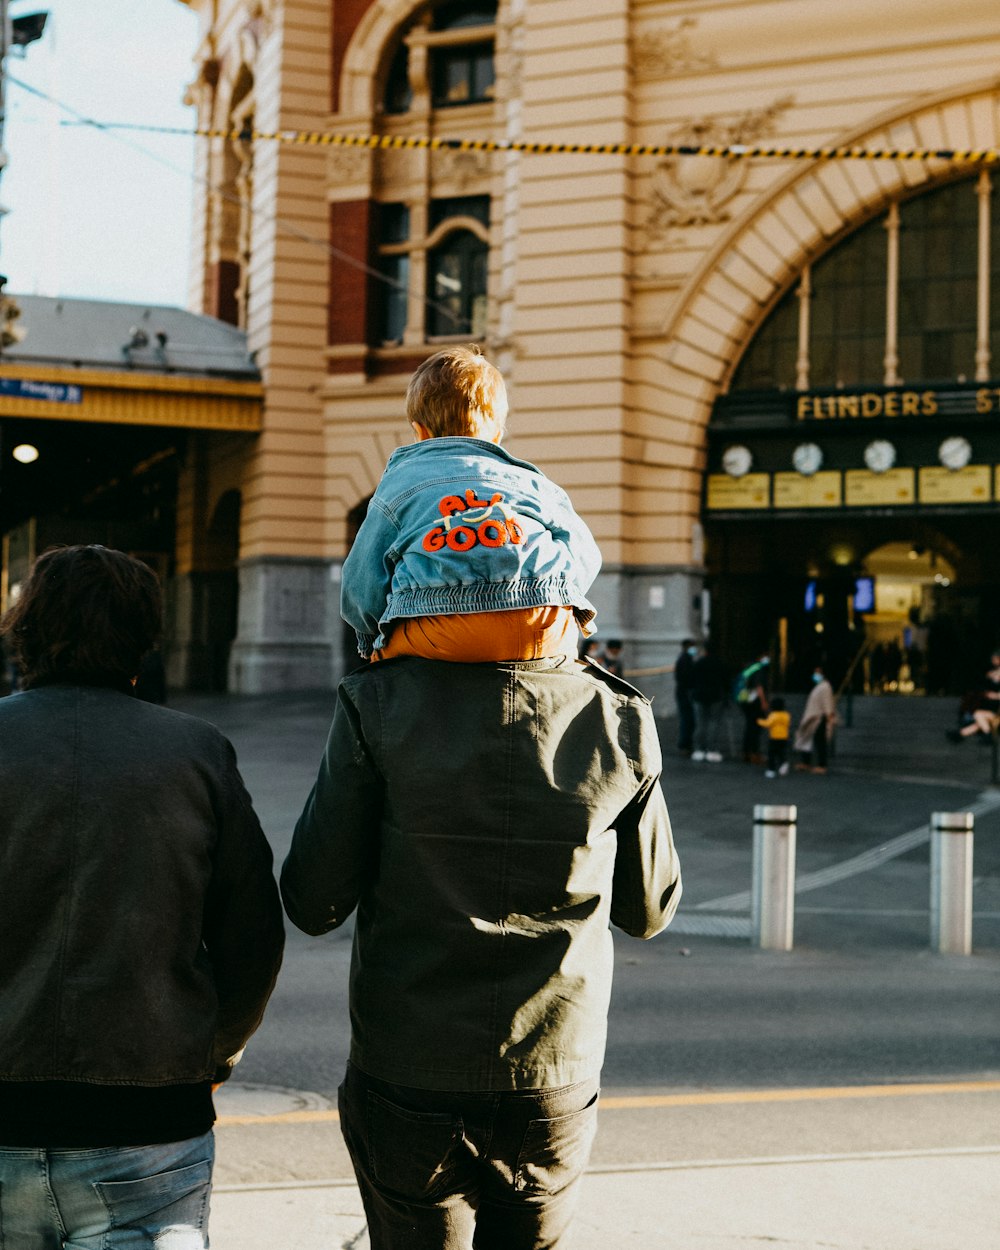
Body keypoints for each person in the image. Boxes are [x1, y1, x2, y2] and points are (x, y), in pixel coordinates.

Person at [281, 655, 682, 1249]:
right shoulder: (616, 710)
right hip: (550, 1060)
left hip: (409, 1059)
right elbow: (647, 910)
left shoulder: (378, 701)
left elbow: (313, 903)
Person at [0, 544, 284, 1250]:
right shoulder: (196, 753)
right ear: (143, 639)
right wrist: (209, 1055)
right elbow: (253, 939)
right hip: (148, 1122)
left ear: (24, 629)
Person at [341, 343, 601, 664]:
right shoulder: (532, 482)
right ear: (497, 436)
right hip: (543, 624)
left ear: (419, 431)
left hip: (440, 629)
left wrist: (371, 640)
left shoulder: (400, 484)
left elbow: (360, 584)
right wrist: (559, 597)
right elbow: (585, 553)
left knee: (382, 670)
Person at [946, 652, 1000, 743]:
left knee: (978, 714)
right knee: (979, 722)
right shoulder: (993, 672)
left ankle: (987, 735)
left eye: (995, 659)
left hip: (997, 712)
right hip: (994, 710)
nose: (993, 661)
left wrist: (992, 695)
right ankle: (959, 734)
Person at [794, 665, 837, 773]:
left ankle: (821, 765)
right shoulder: (819, 686)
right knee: (806, 739)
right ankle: (806, 763)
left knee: (819, 741)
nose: (816, 675)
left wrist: (829, 717)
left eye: (818, 672)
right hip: (812, 717)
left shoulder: (825, 687)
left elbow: (827, 703)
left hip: (819, 718)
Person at [690, 640, 727, 762]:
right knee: (714, 724)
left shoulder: (699, 663)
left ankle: (699, 749)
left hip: (700, 696)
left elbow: (692, 679)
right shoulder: (720, 663)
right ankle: (712, 749)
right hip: (715, 696)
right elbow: (725, 680)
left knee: (700, 723)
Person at [735, 653, 770, 763]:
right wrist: (764, 702)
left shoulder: (749, 668)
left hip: (746, 701)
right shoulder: (759, 670)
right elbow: (759, 687)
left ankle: (746, 752)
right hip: (755, 703)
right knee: (755, 728)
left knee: (750, 727)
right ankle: (754, 753)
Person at [757, 695, 791, 778]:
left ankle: (771, 770)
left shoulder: (773, 715)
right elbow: (788, 724)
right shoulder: (786, 715)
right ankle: (783, 763)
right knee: (781, 752)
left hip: (774, 738)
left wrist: (759, 721)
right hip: (784, 738)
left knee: (771, 754)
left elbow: (768, 724)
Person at [674, 637, 697, 755]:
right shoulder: (686, 659)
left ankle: (685, 743)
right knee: (687, 719)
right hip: (685, 693)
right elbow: (685, 678)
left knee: (686, 719)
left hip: (683, 692)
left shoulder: (684, 658)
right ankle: (685, 744)